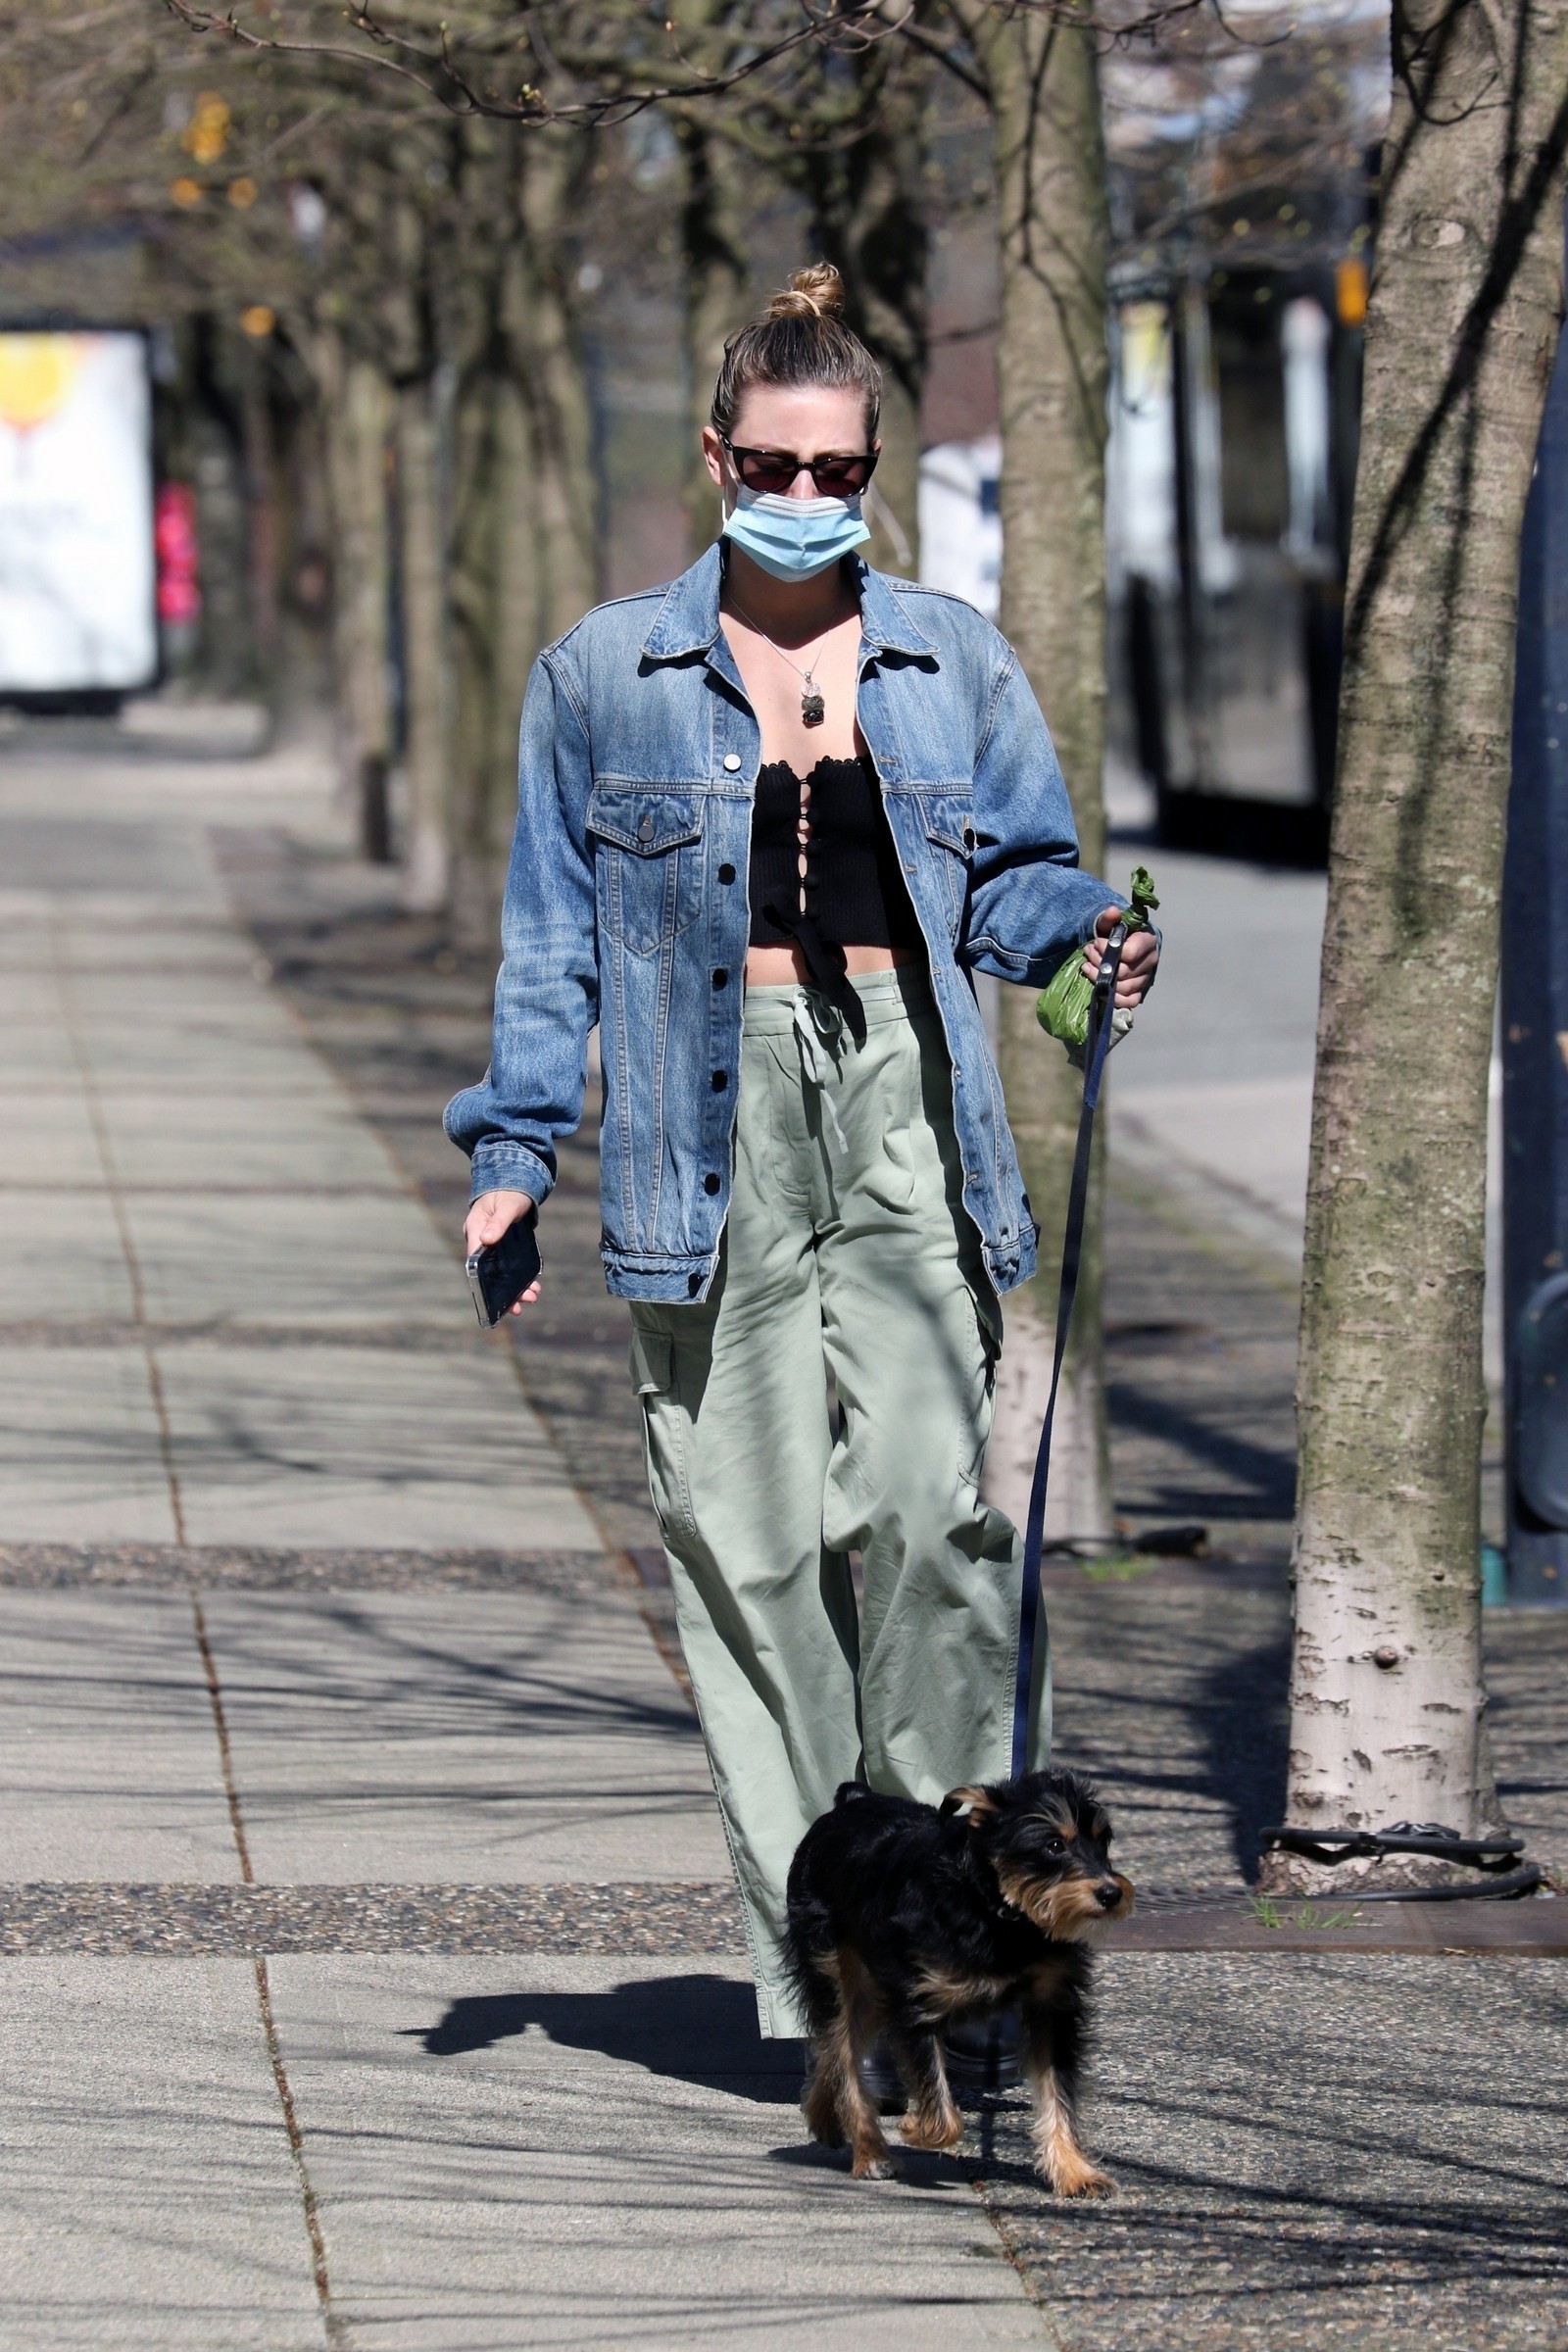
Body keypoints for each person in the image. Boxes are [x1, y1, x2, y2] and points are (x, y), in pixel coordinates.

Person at [445, 264, 1158, 2037]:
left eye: (841, 470)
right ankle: (839, 1974)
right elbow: (548, 939)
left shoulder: (952, 656)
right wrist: (515, 1151)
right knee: (747, 1550)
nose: (808, 495)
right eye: (775, 464)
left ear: (872, 469)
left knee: (932, 1512)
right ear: (717, 457)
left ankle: (953, 1927)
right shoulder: (602, 673)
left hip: (906, 1103)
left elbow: (1012, 877)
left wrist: (1085, 937)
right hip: (705, 1133)